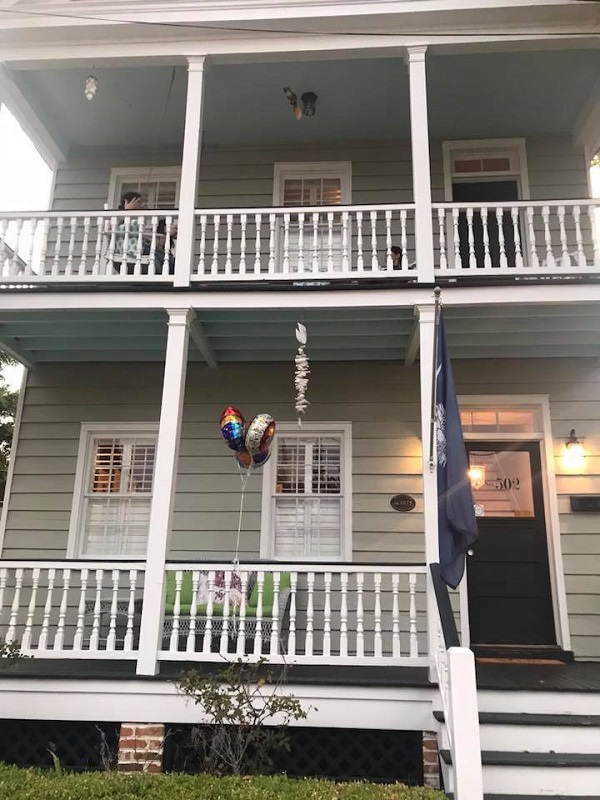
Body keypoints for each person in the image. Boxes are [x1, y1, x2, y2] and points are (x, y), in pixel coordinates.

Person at [113, 191, 176, 275]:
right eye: (138, 202)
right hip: (132, 249)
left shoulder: (138, 219)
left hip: (142, 247)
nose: (141, 205)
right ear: (127, 202)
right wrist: (127, 210)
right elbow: (115, 229)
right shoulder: (120, 218)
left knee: (169, 259)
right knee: (169, 261)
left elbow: (147, 237)